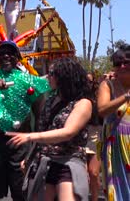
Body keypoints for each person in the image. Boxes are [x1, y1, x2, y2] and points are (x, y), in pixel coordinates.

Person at [7, 58, 93, 201]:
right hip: (45, 161)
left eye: (52, 73)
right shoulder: (51, 100)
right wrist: (29, 157)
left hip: (68, 162)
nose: (48, 76)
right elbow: (45, 129)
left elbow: (68, 132)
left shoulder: (83, 103)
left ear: (64, 77)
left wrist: (30, 137)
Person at [0, 41, 49, 201]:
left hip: (21, 142)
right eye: (2, 53)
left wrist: (39, 144)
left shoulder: (29, 80)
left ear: (17, 58)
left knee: (21, 188)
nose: (6, 55)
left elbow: (40, 114)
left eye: (11, 53)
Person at [97, 44, 130, 201]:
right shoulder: (107, 84)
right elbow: (102, 110)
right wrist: (126, 97)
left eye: (126, 62)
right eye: (118, 63)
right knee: (118, 191)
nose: (122, 66)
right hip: (115, 145)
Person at [85, 72, 102, 201]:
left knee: (94, 173)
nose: (87, 84)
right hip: (80, 137)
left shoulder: (99, 97)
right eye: (85, 81)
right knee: (83, 174)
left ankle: (95, 199)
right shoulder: (77, 97)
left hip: (97, 135)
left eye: (90, 82)